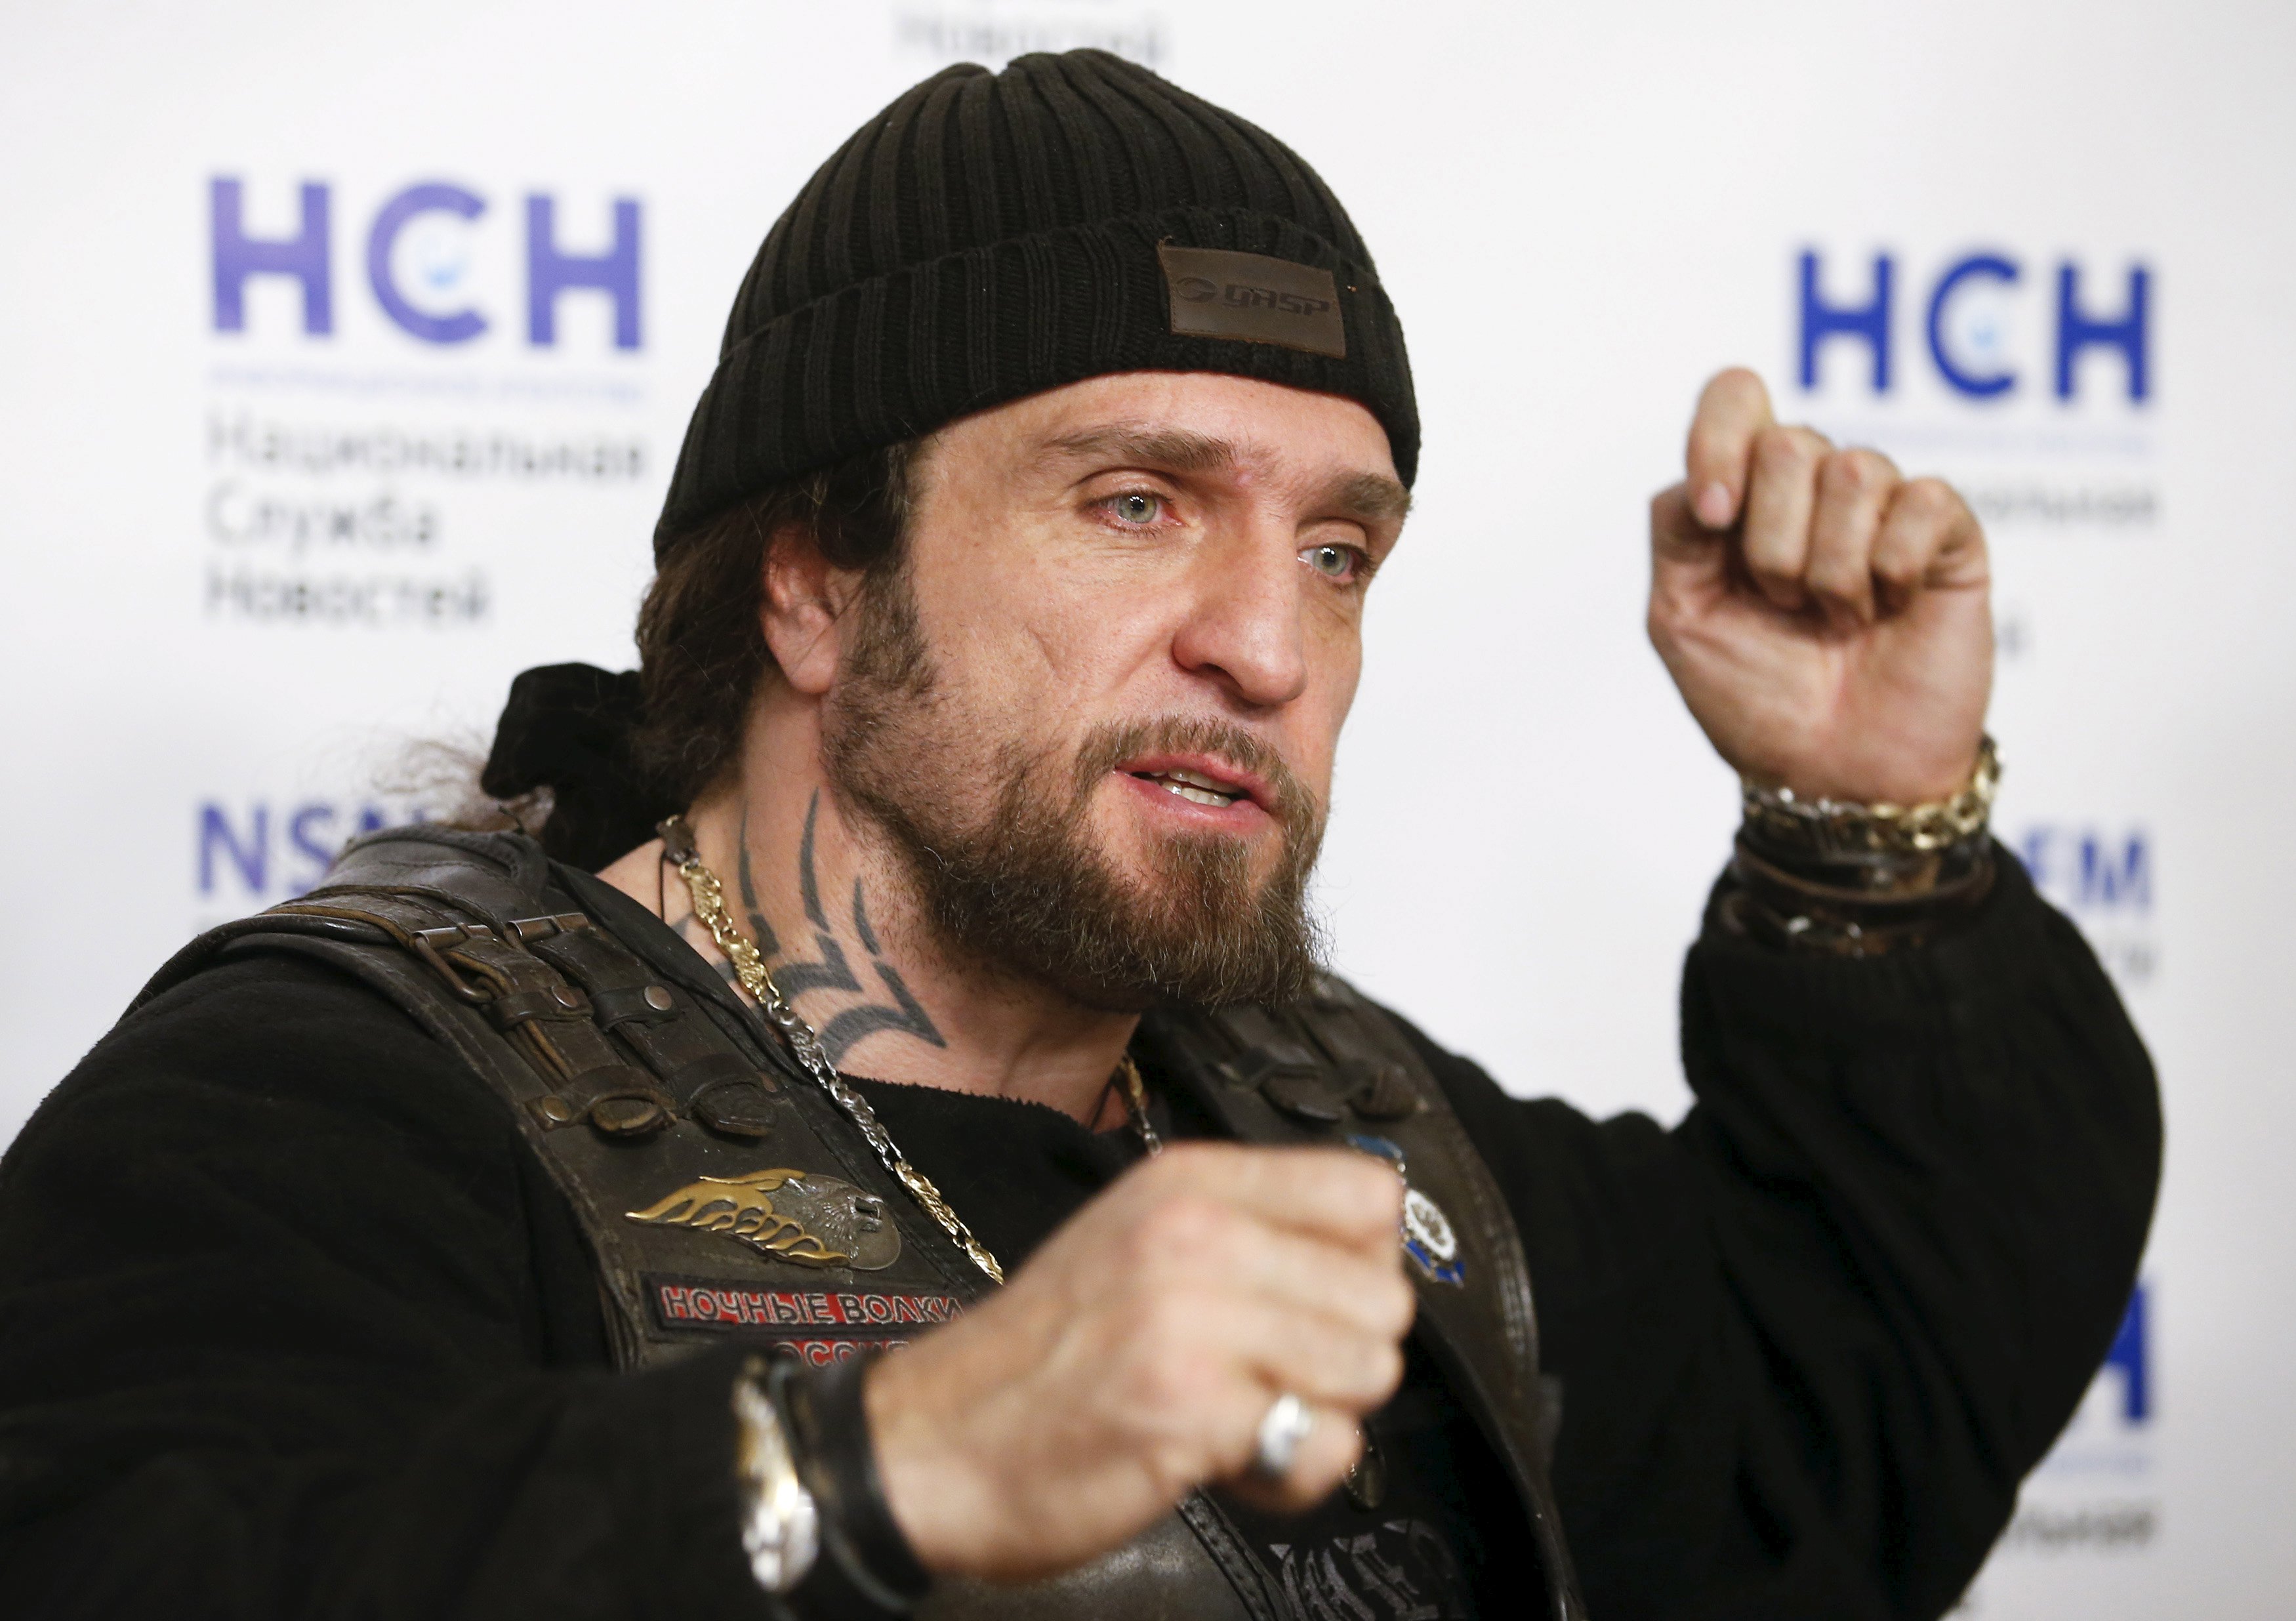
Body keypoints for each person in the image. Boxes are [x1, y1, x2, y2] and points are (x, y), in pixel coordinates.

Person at [0, 49, 2157, 1621]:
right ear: (813, 583)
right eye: (1136, 502)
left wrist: (1870, 823)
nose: (1264, 643)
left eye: (1336, 551)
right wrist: (869, 1468)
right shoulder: (361, 1093)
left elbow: (1846, 1384)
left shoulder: (1342, 1132)